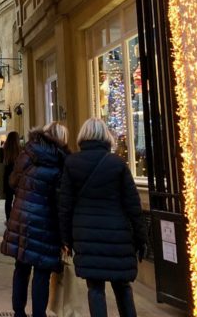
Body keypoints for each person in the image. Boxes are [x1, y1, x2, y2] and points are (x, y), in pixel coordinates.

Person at [59, 118, 148, 317]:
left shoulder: (72, 163)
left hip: (86, 234)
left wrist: (65, 238)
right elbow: (133, 204)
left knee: (95, 288)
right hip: (118, 233)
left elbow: (65, 205)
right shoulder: (117, 163)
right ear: (105, 136)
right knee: (122, 286)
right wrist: (141, 238)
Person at [1, 121, 69, 317]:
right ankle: (39, 314)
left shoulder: (27, 153)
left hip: (22, 218)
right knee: (42, 271)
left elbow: (13, 182)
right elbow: (60, 201)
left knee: (21, 267)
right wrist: (65, 236)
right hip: (46, 223)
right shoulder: (61, 161)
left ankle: (18, 312)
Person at [1, 130, 21, 221]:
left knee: (8, 200)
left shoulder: (3, 150)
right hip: (18, 177)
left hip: (7, 176)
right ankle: (16, 218)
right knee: (18, 199)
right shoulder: (21, 150)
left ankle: (8, 218)